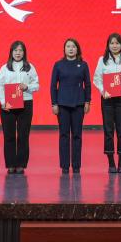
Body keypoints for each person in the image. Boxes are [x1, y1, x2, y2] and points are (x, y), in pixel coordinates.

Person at [92, 32, 121, 173]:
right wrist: (102, 91)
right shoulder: (102, 60)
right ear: (108, 45)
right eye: (112, 43)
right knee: (108, 130)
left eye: (117, 43)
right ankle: (111, 163)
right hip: (107, 98)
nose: (114, 45)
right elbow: (96, 79)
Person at [0, 40, 39, 174]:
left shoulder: (29, 67)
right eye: (15, 50)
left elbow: (37, 85)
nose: (18, 53)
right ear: (11, 52)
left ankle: (21, 164)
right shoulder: (5, 68)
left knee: (23, 135)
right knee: (9, 135)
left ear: (24, 52)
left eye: (20, 50)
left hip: (26, 103)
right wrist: (3, 102)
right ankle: (10, 164)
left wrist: (27, 87)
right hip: (8, 104)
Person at [50, 38, 92, 174]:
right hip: (62, 104)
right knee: (64, 135)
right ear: (64, 49)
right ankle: (64, 165)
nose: (71, 49)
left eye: (73, 46)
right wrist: (54, 103)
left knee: (77, 135)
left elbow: (88, 85)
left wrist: (87, 101)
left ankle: (76, 165)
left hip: (78, 104)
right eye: (68, 46)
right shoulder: (58, 65)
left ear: (77, 49)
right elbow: (53, 86)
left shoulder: (83, 65)